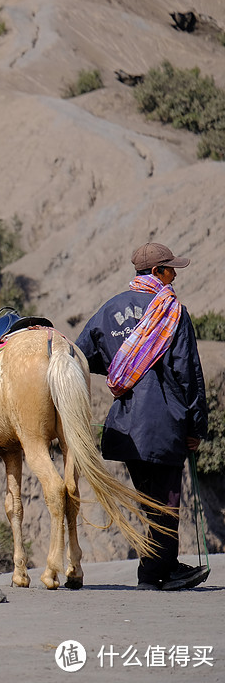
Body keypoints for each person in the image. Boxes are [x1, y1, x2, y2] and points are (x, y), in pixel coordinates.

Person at [76, 242, 210, 592]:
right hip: (165, 423)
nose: (175, 275)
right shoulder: (172, 311)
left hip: (126, 426)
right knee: (165, 503)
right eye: (170, 269)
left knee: (149, 500)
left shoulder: (110, 309)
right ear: (155, 273)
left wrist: (121, 371)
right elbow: (188, 373)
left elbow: (80, 355)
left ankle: (161, 567)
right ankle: (154, 575)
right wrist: (197, 426)